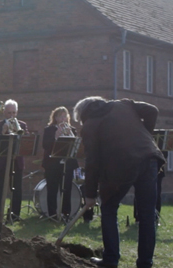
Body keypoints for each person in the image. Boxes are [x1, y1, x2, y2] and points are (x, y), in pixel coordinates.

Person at [75, 97, 165, 268]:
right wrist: (146, 134)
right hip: (149, 158)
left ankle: (110, 259)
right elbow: (152, 110)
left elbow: (92, 162)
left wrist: (90, 195)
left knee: (108, 208)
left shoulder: (90, 126)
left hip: (121, 166)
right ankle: (145, 263)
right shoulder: (123, 104)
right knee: (147, 215)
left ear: (83, 114)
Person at [0, 99, 27, 221]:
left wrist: (18, 134)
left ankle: (14, 215)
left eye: (14, 113)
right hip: (1, 162)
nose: (12, 116)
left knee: (17, 189)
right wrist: (2, 133)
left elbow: (26, 142)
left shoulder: (22, 125)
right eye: (9, 113)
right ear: (4, 112)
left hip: (16, 161)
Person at [41, 106, 78, 220]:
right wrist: (56, 136)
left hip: (67, 164)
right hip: (52, 164)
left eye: (65, 116)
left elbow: (75, 147)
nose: (63, 118)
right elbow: (45, 146)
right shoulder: (49, 130)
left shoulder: (72, 129)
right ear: (55, 118)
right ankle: (52, 215)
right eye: (60, 116)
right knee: (52, 189)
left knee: (67, 189)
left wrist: (71, 134)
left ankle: (66, 214)